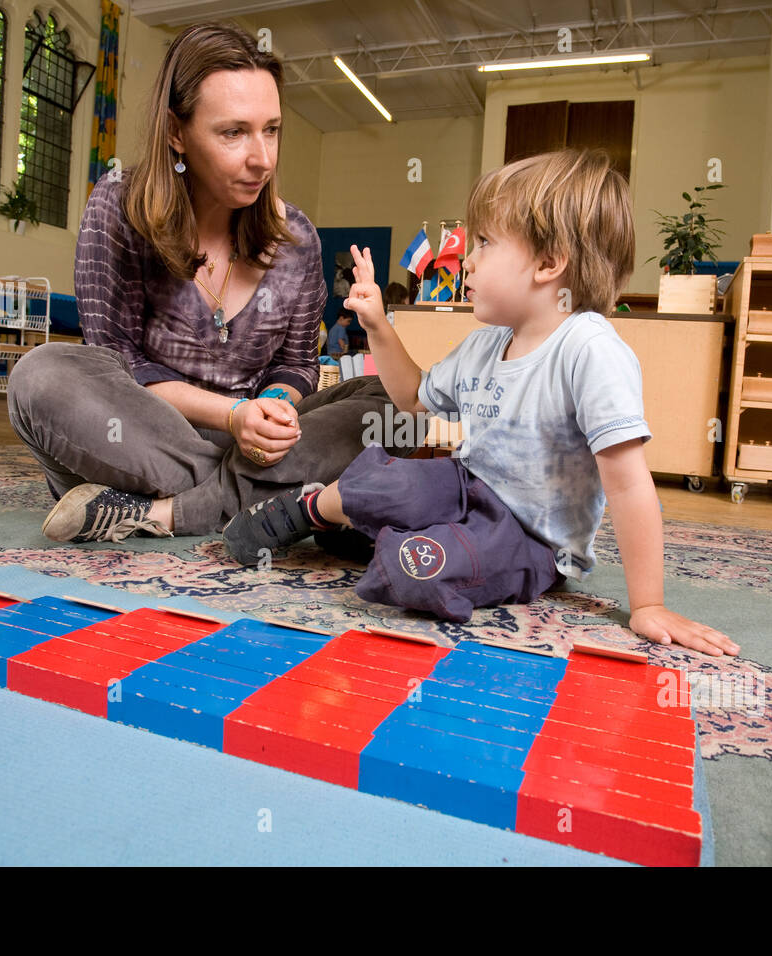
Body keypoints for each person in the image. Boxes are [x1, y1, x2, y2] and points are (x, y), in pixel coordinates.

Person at [223, 149, 737, 656]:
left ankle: (378, 533)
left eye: (485, 243)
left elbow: (628, 486)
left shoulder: (591, 350)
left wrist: (648, 604)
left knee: (416, 568)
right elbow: (413, 399)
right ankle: (311, 509)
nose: (467, 260)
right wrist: (377, 323)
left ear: (548, 263)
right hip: (466, 487)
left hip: (531, 538)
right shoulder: (487, 342)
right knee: (386, 474)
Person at [8, 22, 408, 544]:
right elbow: (117, 360)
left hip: (260, 444)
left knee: (392, 401)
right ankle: (261, 500)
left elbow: (295, 364)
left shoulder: (298, 238)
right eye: (233, 132)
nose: (262, 157)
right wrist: (233, 414)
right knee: (40, 376)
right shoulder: (119, 205)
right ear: (177, 131)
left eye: (272, 129)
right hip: (144, 435)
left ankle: (160, 513)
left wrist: (274, 410)